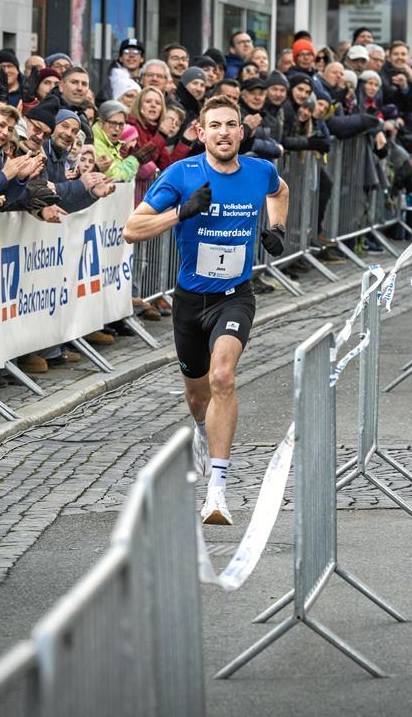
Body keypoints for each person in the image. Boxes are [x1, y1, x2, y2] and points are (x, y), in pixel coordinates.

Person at [123, 95, 290, 525]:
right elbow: (132, 229)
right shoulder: (182, 173)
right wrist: (181, 212)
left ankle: (217, 490)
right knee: (198, 395)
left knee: (222, 376)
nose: (223, 132)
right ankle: (202, 429)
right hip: (189, 301)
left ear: (241, 131)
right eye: (214, 125)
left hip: (235, 295)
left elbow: (280, 191)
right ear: (201, 132)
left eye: (230, 125)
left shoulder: (259, 171)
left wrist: (276, 229)